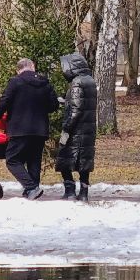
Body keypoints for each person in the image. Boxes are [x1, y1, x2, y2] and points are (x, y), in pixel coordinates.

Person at [0, 58, 60, 200]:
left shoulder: (15, 82)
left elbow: (4, 100)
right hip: (40, 129)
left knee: (12, 159)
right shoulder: (45, 83)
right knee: (34, 160)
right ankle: (32, 191)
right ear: (33, 67)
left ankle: (31, 187)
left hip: (19, 128)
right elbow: (54, 105)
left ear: (19, 69)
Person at [55, 52, 98, 201]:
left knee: (64, 158)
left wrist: (67, 127)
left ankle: (70, 191)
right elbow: (82, 103)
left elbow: (76, 109)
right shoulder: (90, 81)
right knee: (84, 162)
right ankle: (84, 193)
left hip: (76, 131)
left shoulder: (77, 82)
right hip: (88, 130)